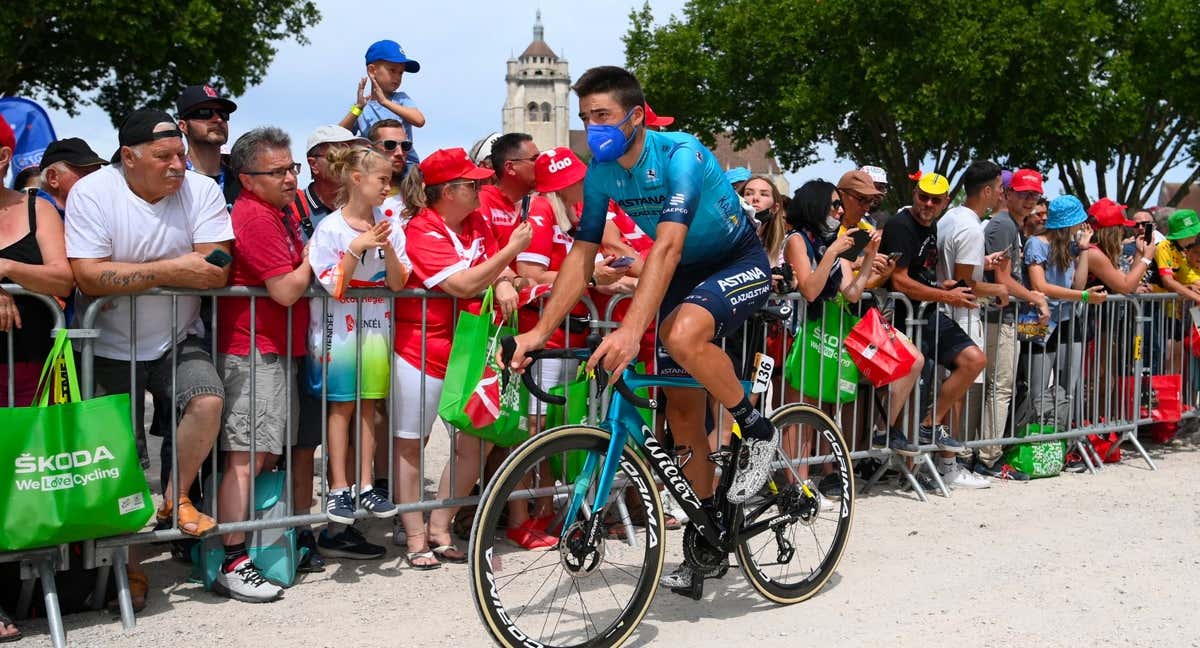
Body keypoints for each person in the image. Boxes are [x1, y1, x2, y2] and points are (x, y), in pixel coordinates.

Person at [504, 66, 777, 590]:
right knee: (682, 414)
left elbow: (669, 245)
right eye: (585, 117)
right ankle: (707, 538)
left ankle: (757, 429)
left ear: (634, 116)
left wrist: (631, 330)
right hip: (679, 272)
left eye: (602, 115)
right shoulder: (602, 172)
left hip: (733, 260)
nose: (593, 126)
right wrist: (538, 334)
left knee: (679, 335)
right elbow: (582, 256)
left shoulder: (680, 155)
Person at [65, 108, 233, 610]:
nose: (178, 165)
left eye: (181, 154)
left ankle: (176, 497)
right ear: (128, 157)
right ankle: (132, 572)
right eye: (164, 157)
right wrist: (174, 267)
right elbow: (88, 278)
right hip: (105, 342)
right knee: (123, 457)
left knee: (206, 400)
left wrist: (132, 273)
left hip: (177, 336)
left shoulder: (201, 189)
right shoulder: (94, 192)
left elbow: (219, 267)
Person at [392, 148, 530, 568]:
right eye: (472, 184)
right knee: (412, 446)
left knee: (476, 438)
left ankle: (441, 525)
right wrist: (509, 256)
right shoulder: (421, 229)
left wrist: (506, 279)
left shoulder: (476, 221)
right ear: (447, 192)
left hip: (470, 350)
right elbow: (462, 283)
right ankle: (415, 537)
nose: (481, 188)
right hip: (422, 350)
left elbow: (499, 273)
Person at [212, 127, 310, 603]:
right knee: (245, 459)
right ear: (248, 179)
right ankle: (232, 559)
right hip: (253, 350)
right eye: (279, 171)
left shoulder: (280, 211)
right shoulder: (253, 216)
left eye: (293, 168)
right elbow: (286, 290)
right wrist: (316, 257)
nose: (292, 178)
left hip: (274, 349)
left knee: (262, 454)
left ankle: (247, 549)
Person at [307, 146, 408, 554]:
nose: (388, 186)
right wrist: (357, 247)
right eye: (381, 179)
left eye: (389, 180)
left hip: (376, 321)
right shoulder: (331, 227)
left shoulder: (390, 224)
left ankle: (366, 484)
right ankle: (337, 487)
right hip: (340, 323)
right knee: (342, 406)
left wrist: (386, 249)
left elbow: (399, 283)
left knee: (370, 403)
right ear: (356, 180)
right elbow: (334, 284)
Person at [282, 124, 370, 568]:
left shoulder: (362, 208)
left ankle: (340, 528)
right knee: (304, 440)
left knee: (350, 430)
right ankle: (299, 531)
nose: (350, 162)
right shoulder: (297, 203)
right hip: (311, 334)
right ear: (316, 162)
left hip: (355, 333)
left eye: (354, 154)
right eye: (342, 154)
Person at [784, 179, 922, 458]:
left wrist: (871, 258)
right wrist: (841, 254)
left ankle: (877, 436)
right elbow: (812, 290)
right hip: (815, 327)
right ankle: (818, 474)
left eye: (871, 201)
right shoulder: (810, 237)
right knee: (811, 405)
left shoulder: (857, 232)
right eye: (859, 199)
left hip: (842, 323)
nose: (866, 206)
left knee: (910, 362)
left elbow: (855, 292)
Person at [879, 172, 989, 489]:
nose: (928, 204)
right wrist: (946, 295)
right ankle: (907, 468)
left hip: (928, 310)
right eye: (923, 196)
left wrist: (944, 287)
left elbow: (919, 276)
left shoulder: (933, 225)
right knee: (916, 388)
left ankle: (929, 425)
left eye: (935, 199)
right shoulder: (901, 226)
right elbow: (898, 281)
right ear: (915, 194)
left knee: (974, 361)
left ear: (944, 203)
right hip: (906, 316)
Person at [934, 160, 1009, 478]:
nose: (1002, 195)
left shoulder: (951, 217)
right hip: (959, 316)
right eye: (1000, 189)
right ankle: (948, 463)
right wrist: (998, 287)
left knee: (951, 389)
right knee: (958, 392)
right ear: (988, 190)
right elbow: (964, 284)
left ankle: (943, 460)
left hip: (947, 313)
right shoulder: (970, 227)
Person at [979, 168, 1050, 479]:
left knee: (999, 388)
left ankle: (986, 454)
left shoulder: (1010, 225)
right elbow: (1003, 279)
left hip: (1005, 316)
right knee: (999, 388)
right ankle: (988, 457)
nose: (1029, 200)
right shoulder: (1003, 225)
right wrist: (1035, 297)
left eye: (1034, 195)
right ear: (1007, 194)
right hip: (998, 317)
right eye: (1024, 193)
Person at [0, 116, 74, 408]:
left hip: (35, 369)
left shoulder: (38, 209)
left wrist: (7, 268)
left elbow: (63, 280)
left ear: (4, 156)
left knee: (28, 454)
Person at [1024, 196, 1108, 423]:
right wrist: (1083, 297)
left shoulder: (1071, 246)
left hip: (1068, 319)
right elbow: (1040, 286)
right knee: (1036, 388)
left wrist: (1084, 250)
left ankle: (1061, 438)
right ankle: (1031, 442)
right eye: (1079, 221)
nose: (1082, 226)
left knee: (1068, 386)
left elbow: (1079, 284)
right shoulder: (1036, 243)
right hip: (1037, 320)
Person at [342, 39, 425, 165]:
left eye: (401, 73)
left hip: (406, 165)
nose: (397, 77)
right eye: (392, 70)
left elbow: (419, 120)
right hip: (374, 167)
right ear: (372, 71)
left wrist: (385, 102)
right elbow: (339, 135)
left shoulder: (401, 99)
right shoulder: (362, 107)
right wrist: (357, 108)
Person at [1150, 209, 1200, 376]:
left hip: (1169, 310)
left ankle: (1172, 394)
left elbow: (1189, 277)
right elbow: (1168, 281)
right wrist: (1194, 295)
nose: (1196, 235)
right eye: (1194, 231)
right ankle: (1159, 394)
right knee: (1160, 353)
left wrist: (1191, 288)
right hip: (1152, 308)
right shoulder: (1164, 247)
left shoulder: (1179, 252)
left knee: (1175, 355)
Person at [176, 84, 241, 210]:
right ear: (183, 126)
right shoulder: (171, 180)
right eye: (205, 112)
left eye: (223, 114)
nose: (218, 119)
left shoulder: (243, 182)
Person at [478, 132, 539, 248]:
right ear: (510, 167)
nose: (541, 164)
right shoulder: (482, 203)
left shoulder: (538, 203)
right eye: (534, 159)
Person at [36, 137, 108, 215]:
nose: (96, 180)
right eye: (86, 173)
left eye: (97, 174)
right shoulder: (30, 216)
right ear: (53, 178)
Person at [366, 118, 411, 220]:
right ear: (370, 149)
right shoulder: (356, 195)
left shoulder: (419, 195)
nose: (400, 152)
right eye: (390, 145)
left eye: (405, 145)